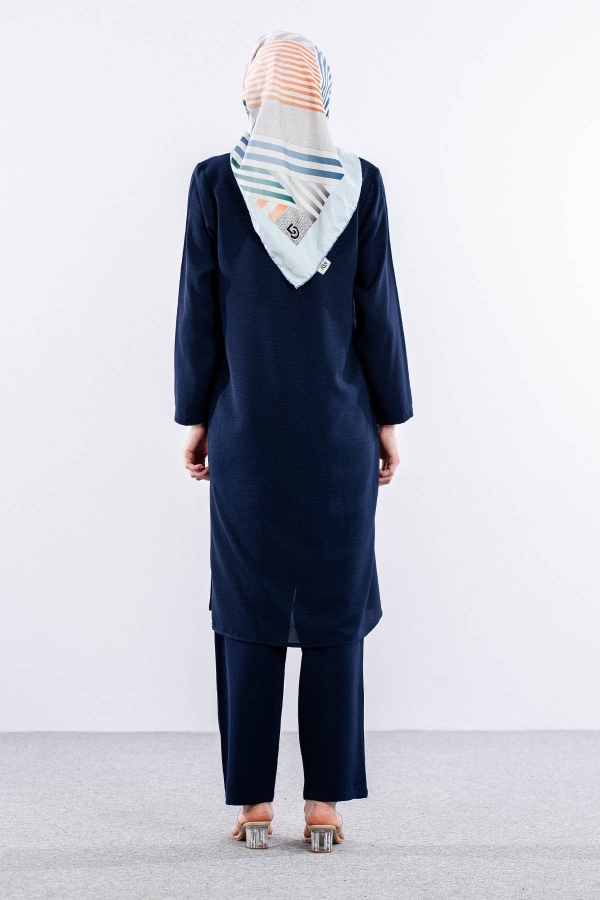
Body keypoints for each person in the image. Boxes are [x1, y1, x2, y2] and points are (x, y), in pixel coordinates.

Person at [174, 31, 413, 852]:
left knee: (247, 614)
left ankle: (251, 805)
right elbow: (377, 313)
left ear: (252, 94)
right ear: (322, 96)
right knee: (333, 614)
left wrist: (197, 417)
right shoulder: (359, 184)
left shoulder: (216, 183)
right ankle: (324, 807)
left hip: (245, 433)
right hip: (339, 434)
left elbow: (199, 312)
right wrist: (387, 421)